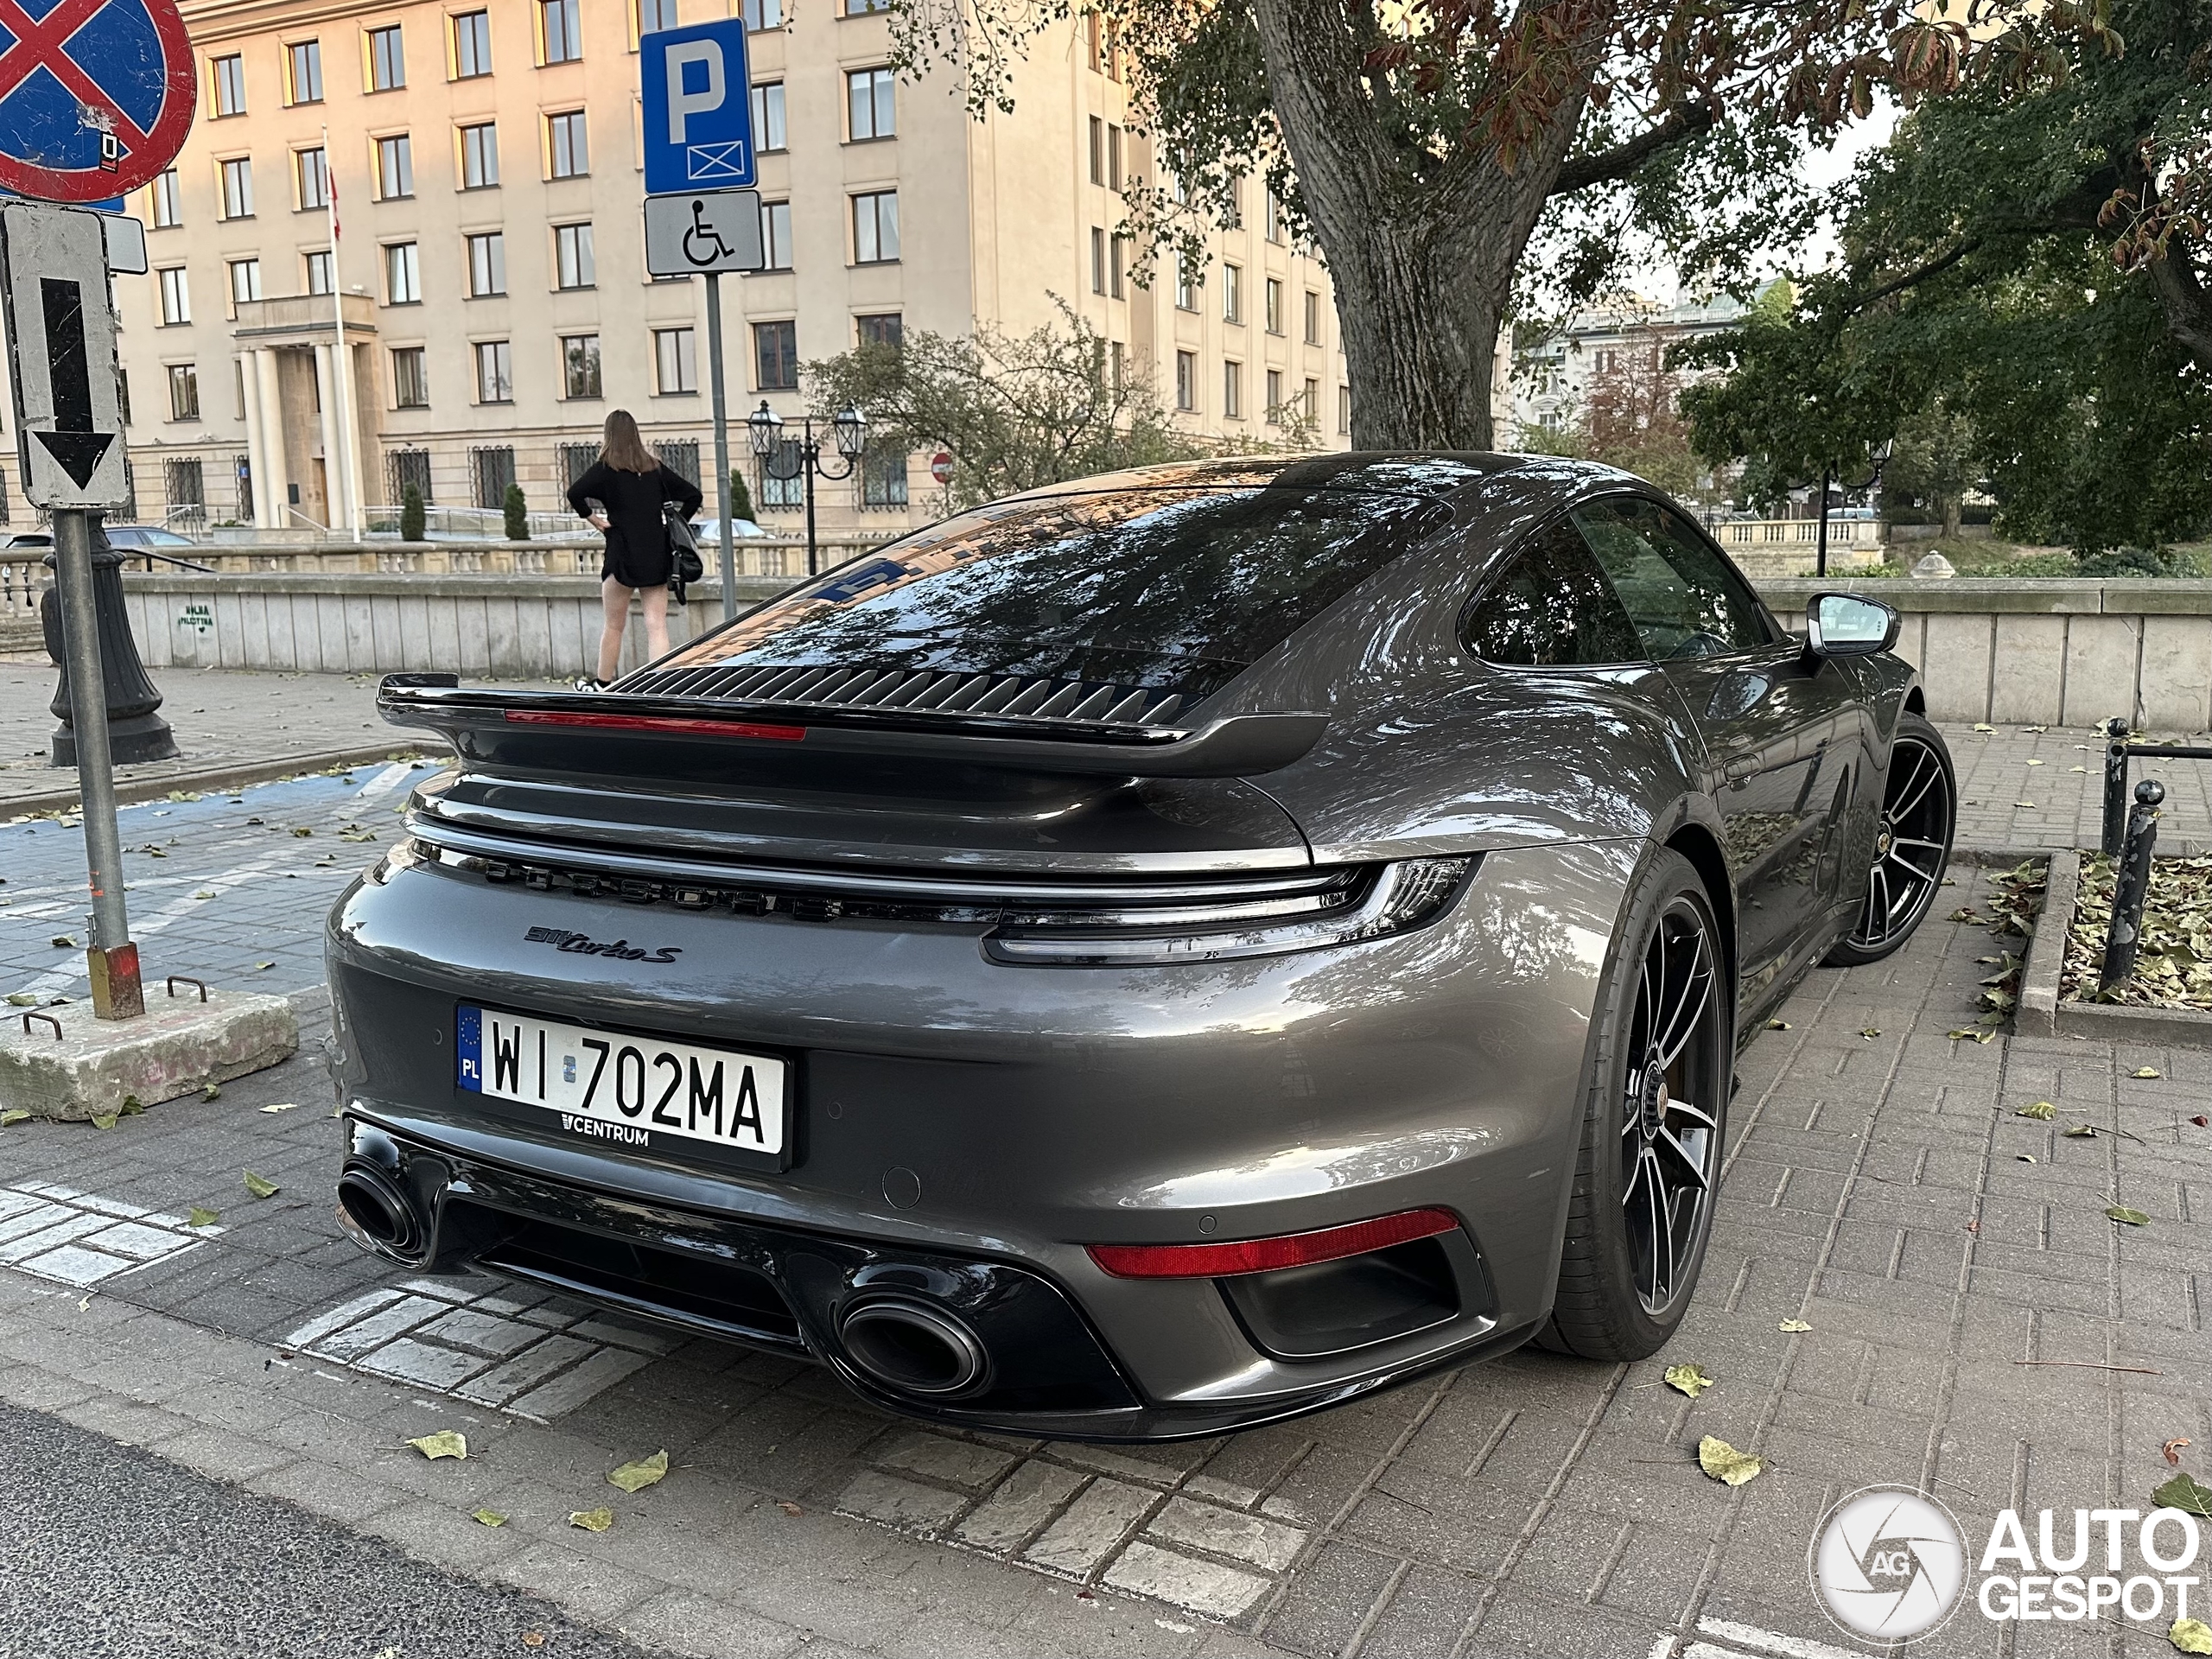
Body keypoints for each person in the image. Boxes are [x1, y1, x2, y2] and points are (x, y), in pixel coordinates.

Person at [565, 410, 703, 689]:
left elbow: (574, 494)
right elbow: (693, 496)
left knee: (614, 625)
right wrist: (673, 525)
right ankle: (660, 686)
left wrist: (596, 521)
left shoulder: (605, 470)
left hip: (621, 554)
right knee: (657, 624)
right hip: (656, 554)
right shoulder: (655, 468)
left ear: (609, 436)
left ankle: (602, 683)